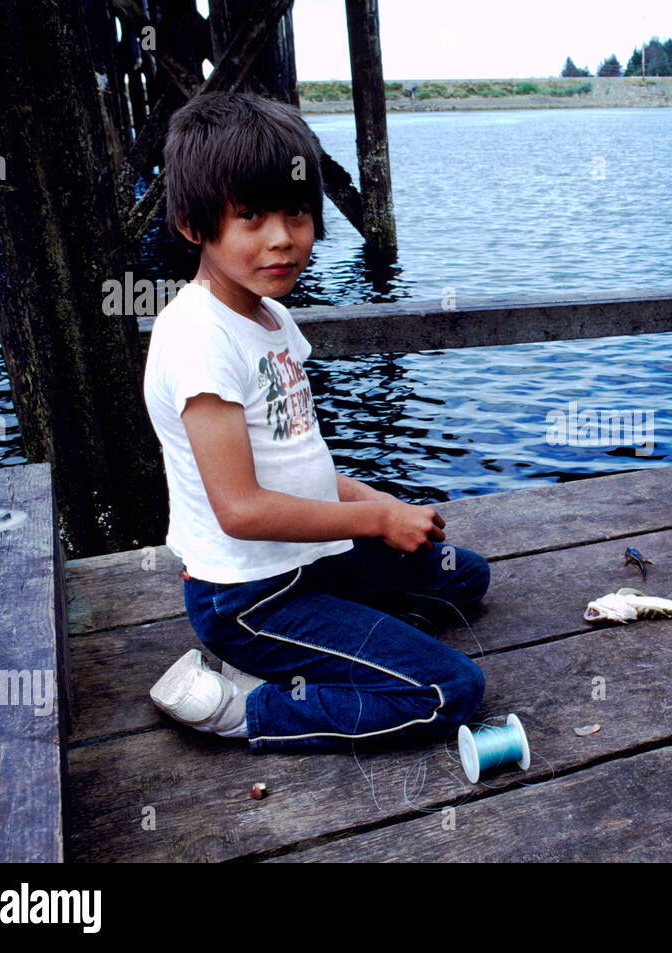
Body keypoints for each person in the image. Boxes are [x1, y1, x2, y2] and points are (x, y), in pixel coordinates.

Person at [141, 92, 487, 753]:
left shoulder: (272, 319)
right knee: (450, 691)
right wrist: (378, 522)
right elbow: (241, 509)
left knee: (462, 575)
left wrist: (376, 500)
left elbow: (300, 461)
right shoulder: (197, 338)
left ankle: (331, 646)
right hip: (248, 596)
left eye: (296, 212)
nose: (283, 237)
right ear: (193, 225)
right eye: (250, 217)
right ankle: (249, 706)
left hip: (309, 562)